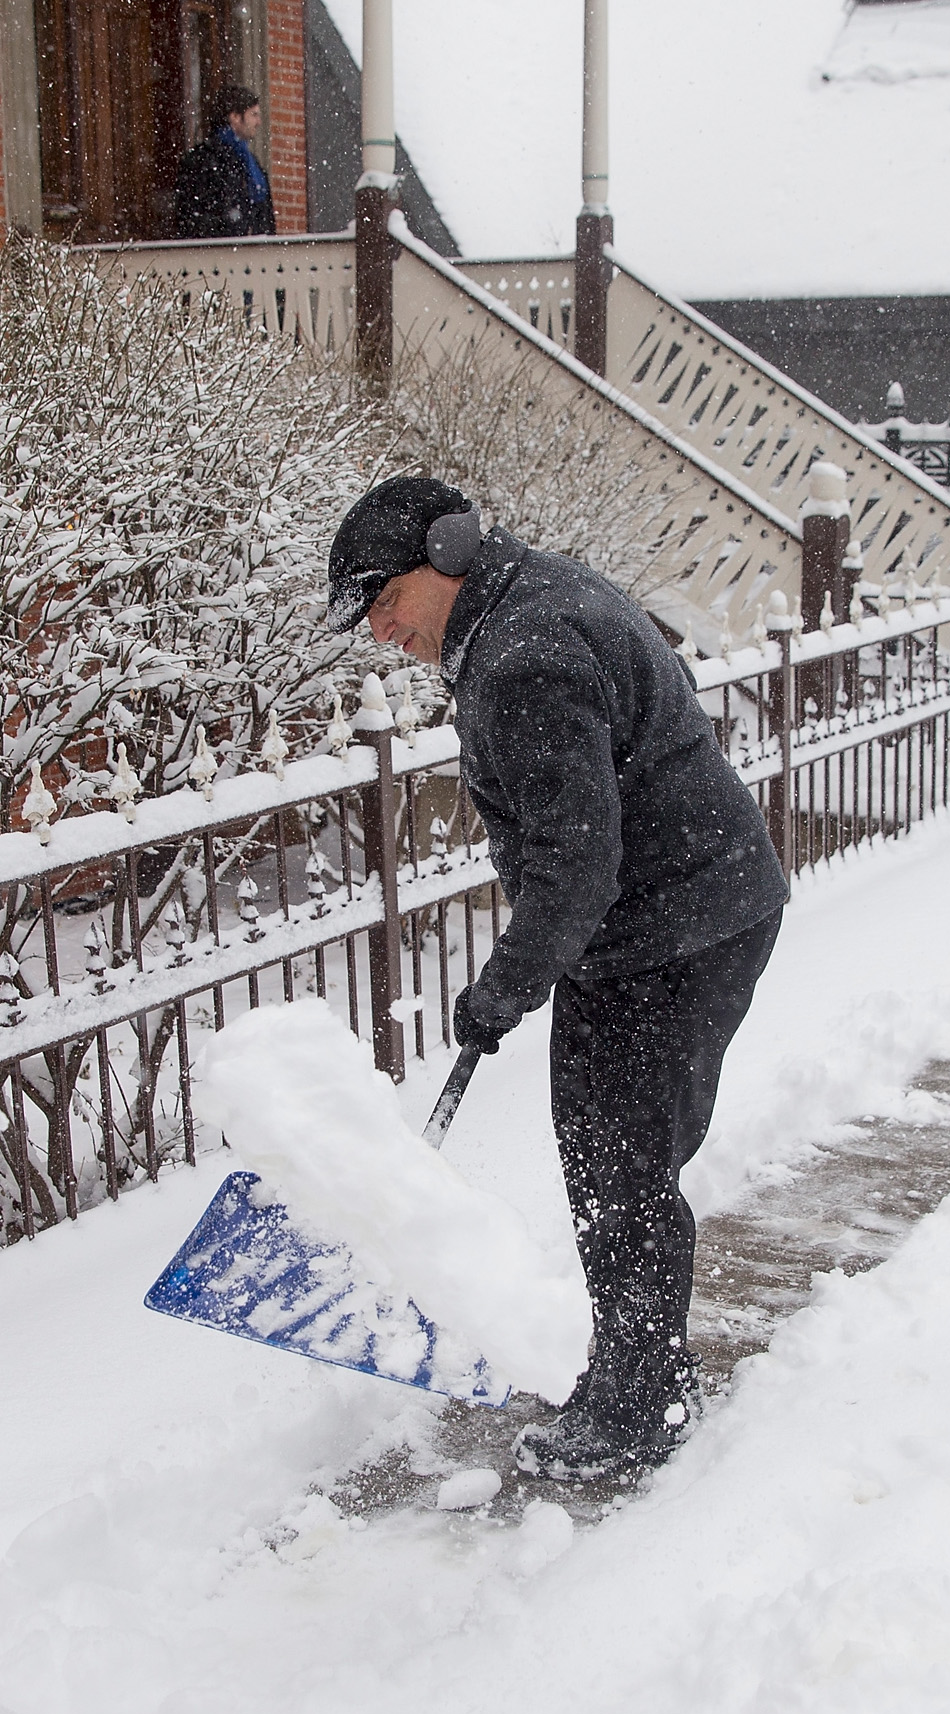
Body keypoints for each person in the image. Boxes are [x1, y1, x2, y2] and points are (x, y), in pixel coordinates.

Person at [326, 477, 788, 1483]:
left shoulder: (525, 653)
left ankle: (640, 1406)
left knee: (620, 1174)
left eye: (382, 598)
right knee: (612, 1160)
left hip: (670, 930)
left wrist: (506, 985)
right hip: (673, 915)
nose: (378, 629)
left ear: (445, 553)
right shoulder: (523, 602)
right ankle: (637, 1377)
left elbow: (577, 857)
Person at [171, 86, 276, 240]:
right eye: (253, 115)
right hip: (217, 256)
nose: (259, 122)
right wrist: (229, 225)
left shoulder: (250, 163)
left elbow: (264, 217)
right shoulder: (204, 160)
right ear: (235, 117)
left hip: (250, 256)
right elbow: (192, 217)